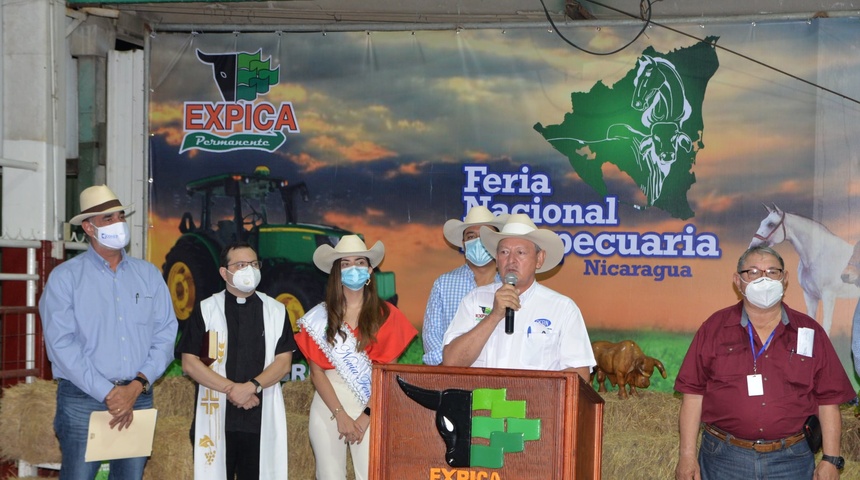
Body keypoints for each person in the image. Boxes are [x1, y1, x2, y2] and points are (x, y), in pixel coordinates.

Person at [674, 245, 855, 480]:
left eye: (772, 272)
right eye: (753, 272)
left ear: (785, 279)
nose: (763, 279)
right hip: (724, 459)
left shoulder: (810, 332)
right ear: (738, 281)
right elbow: (693, 394)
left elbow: (828, 400)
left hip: (792, 460)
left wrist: (831, 459)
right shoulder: (714, 328)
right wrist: (687, 456)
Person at [39, 185, 178, 480]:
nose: (118, 224)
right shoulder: (65, 278)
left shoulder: (149, 275)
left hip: (138, 395)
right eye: (108, 219)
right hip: (82, 398)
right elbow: (61, 344)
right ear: (88, 227)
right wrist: (110, 393)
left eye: (120, 216)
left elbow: (166, 332)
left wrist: (136, 386)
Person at [294, 235, 417, 480]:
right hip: (328, 408)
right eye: (345, 264)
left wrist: (365, 416)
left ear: (370, 270)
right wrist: (339, 414)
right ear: (336, 272)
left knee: (371, 475)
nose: (353, 269)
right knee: (329, 475)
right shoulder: (319, 317)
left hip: (371, 407)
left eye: (360, 262)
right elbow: (317, 372)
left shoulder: (386, 314)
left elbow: (388, 375)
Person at [175, 241, 295, 480]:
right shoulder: (206, 309)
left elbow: (283, 362)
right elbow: (189, 362)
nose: (249, 270)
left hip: (259, 418)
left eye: (253, 264)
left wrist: (251, 387)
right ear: (224, 272)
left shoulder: (276, 311)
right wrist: (232, 390)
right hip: (217, 417)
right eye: (240, 265)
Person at [441, 213, 596, 380]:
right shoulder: (474, 300)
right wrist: (494, 316)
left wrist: (534, 393)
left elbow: (580, 374)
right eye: (504, 252)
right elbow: (451, 363)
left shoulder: (562, 308)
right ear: (497, 259)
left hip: (535, 404)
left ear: (539, 259)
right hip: (480, 404)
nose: (511, 260)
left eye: (520, 252)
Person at [422, 206, 508, 365]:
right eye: (471, 236)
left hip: (498, 374)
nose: (478, 241)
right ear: (463, 244)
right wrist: (451, 367)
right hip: (452, 375)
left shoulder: (509, 286)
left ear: (495, 243)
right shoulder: (444, 284)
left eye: (484, 236)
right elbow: (431, 338)